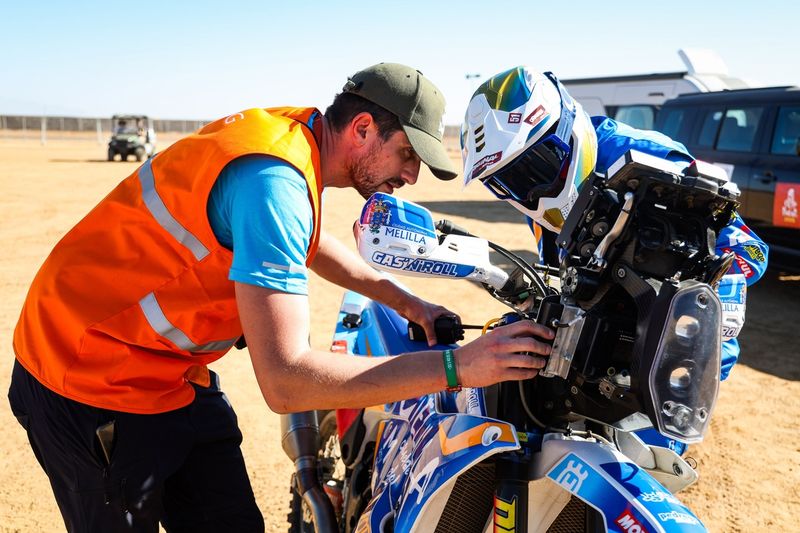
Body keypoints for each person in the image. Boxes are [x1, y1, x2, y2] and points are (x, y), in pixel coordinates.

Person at [9, 63, 555, 532]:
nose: (411, 175)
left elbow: (307, 237)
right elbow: (288, 380)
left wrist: (407, 302)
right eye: (408, 154)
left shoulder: (294, 136)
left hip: (168, 372)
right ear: (362, 128)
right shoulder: (273, 182)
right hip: (88, 377)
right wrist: (460, 366)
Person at [459, 66, 768, 449]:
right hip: (605, 332)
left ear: (565, 128)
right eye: (508, 180)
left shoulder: (642, 158)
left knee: (646, 461)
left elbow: (751, 250)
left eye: (536, 165)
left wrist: (727, 292)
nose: (529, 188)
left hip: (671, 345)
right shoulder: (534, 201)